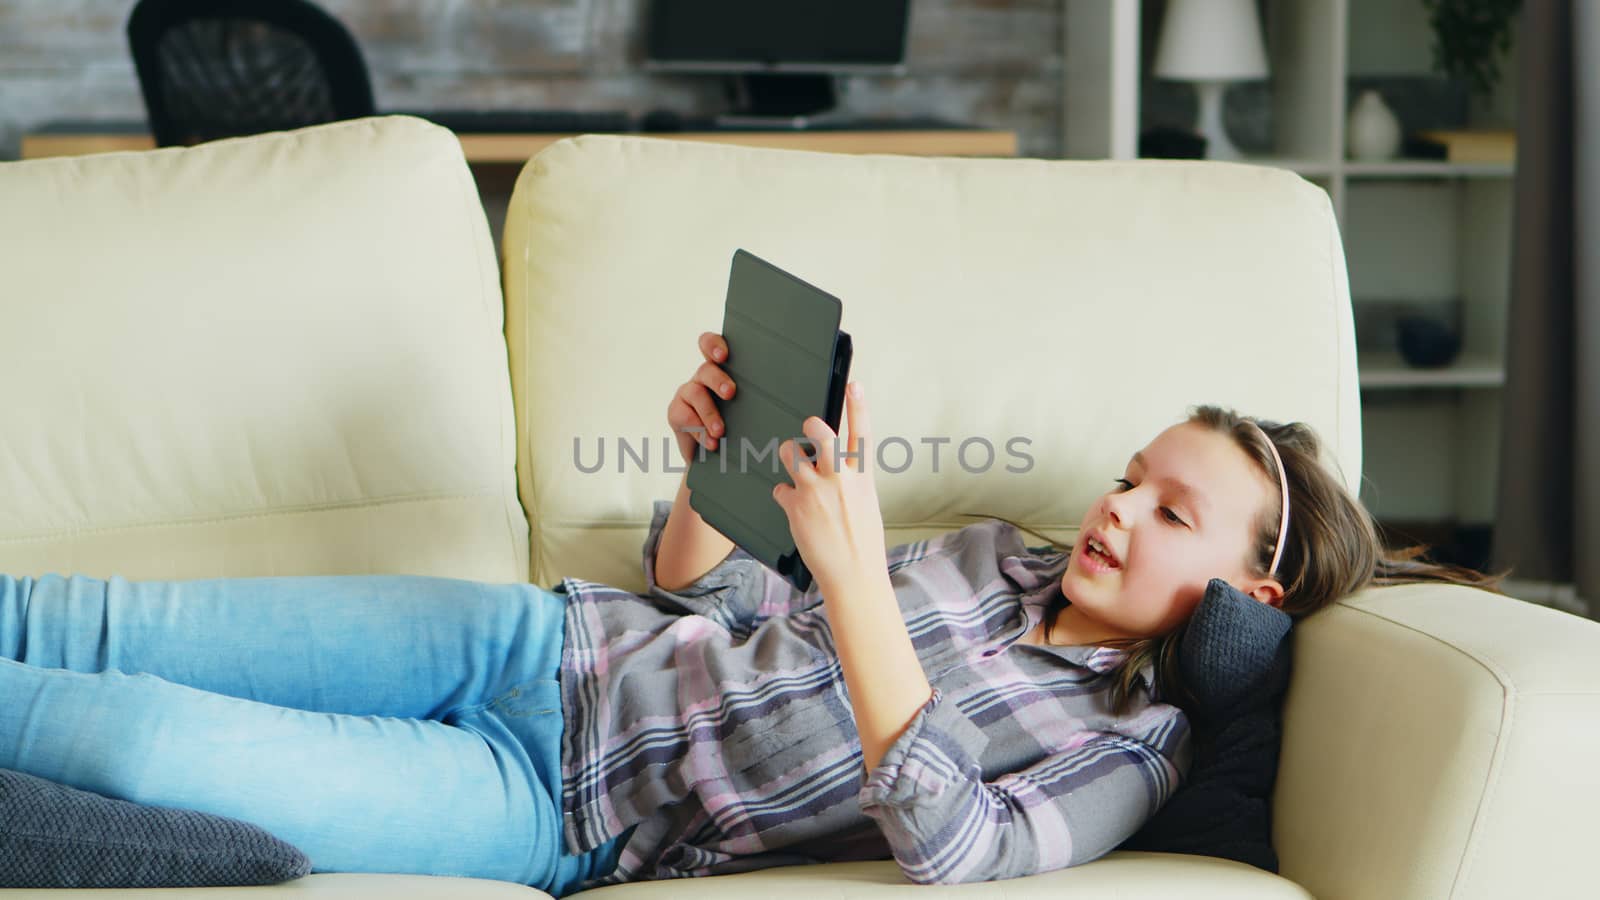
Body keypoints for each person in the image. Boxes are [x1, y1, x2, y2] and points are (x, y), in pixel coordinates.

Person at [0, 332, 1502, 896]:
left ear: (1251, 592)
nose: (1113, 510)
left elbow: (961, 849)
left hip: (561, 803)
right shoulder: (997, 554)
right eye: (1128, 479)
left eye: (1168, 512)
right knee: (98, 621)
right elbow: (705, 596)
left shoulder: (1135, 744)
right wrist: (713, 472)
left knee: (128, 738)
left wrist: (850, 577)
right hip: (541, 641)